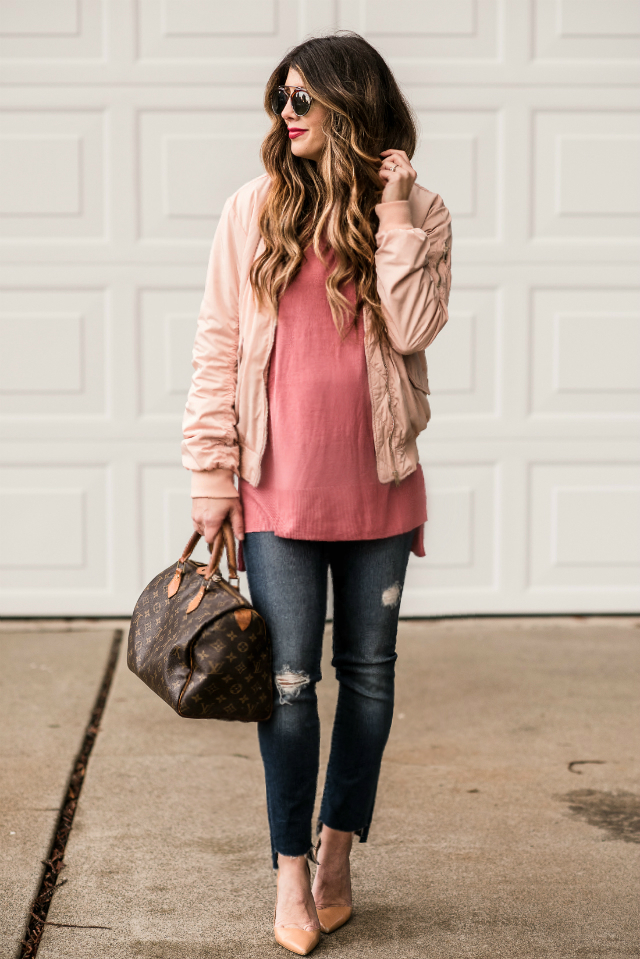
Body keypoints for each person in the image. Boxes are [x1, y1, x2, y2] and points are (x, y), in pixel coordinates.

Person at [183, 31, 452, 957]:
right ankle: (290, 867)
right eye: (281, 98)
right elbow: (218, 346)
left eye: (303, 100)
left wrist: (397, 211)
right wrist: (210, 475)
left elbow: (415, 325)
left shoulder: (419, 213)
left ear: (349, 106)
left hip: (378, 489)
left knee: (368, 682)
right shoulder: (251, 212)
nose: (286, 115)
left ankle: (339, 852)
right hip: (276, 495)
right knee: (288, 687)